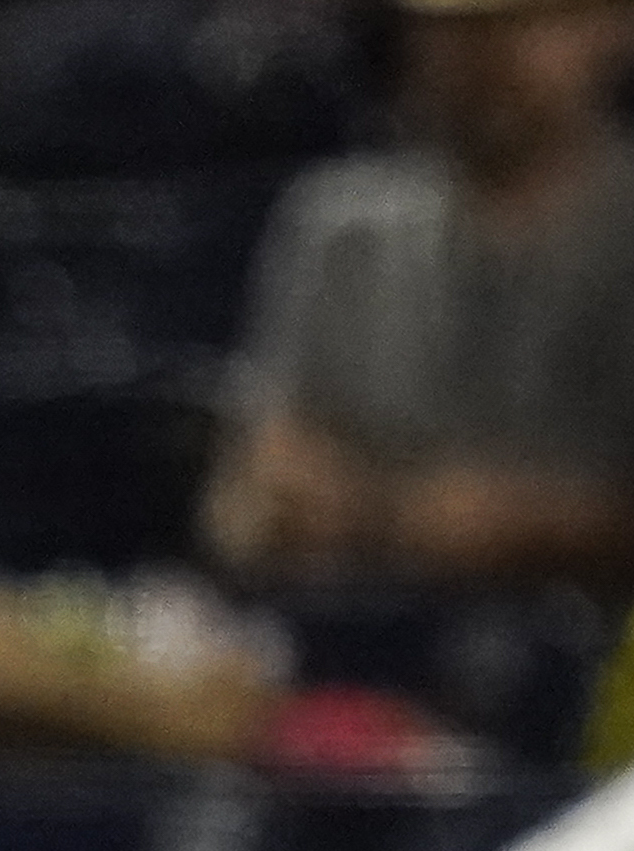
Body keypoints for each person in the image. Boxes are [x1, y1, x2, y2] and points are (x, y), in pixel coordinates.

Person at [207, 0, 634, 593]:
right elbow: (243, 503)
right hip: (370, 645)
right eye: (451, 32)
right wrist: (272, 503)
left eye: (520, 25)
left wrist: (534, 524)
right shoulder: (339, 226)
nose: (482, 59)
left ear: (610, 27)